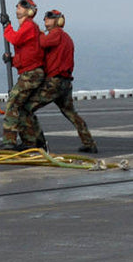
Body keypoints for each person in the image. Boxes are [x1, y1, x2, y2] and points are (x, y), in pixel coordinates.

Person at [32, 9, 98, 154]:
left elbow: (41, 43)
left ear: (58, 21)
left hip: (55, 82)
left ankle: (37, 143)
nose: (45, 20)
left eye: (49, 18)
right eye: (45, 18)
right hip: (65, 82)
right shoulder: (66, 37)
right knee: (71, 113)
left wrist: (35, 31)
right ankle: (89, 142)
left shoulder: (56, 33)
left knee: (26, 108)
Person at [0, 0, 47, 150]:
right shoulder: (28, 28)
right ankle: (33, 142)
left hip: (31, 73)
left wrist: (7, 26)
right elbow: (27, 54)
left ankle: (9, 142)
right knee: (24, 108)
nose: (17, 8)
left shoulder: (29, 26)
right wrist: (12, 60)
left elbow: (15, 39)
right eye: (17, 6)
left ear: (29, 11)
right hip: (31, 71)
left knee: (13, 104)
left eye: (20, 7)